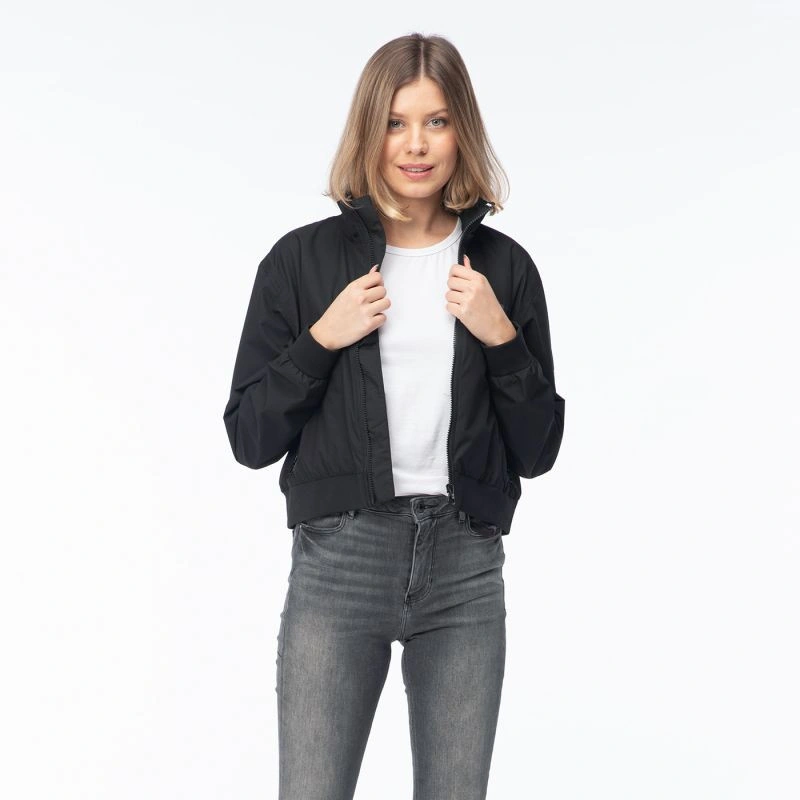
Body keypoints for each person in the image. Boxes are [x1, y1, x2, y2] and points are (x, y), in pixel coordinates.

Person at [223, 32, 565, 800]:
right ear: (368, 131)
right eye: (395, 123)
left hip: (465, 568)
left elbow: (538, 449)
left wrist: (501, 339)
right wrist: (322, 338)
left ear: (461, 131)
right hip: (341, 561)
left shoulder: (504, 270)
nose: (416, 144)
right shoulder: (300, 263)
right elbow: (249, 436)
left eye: (437, 121)